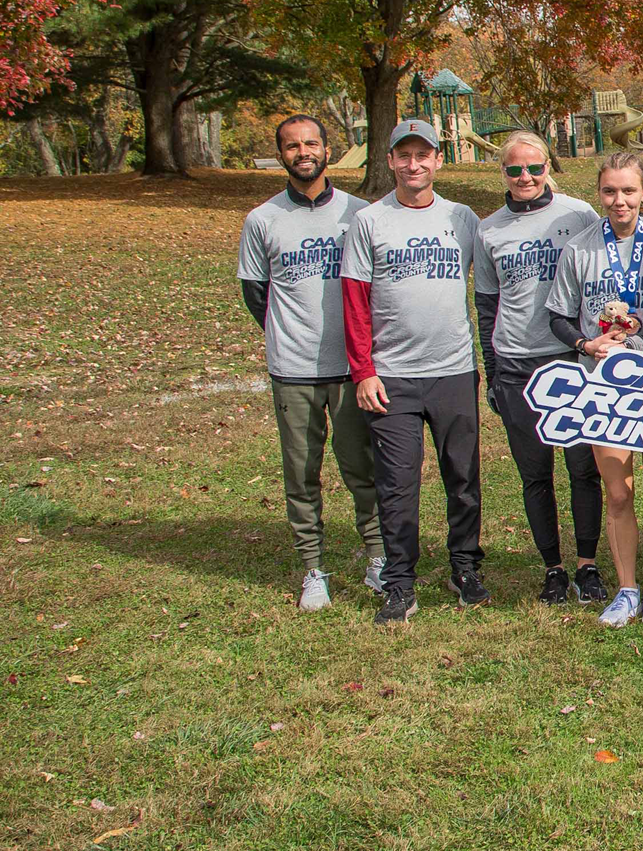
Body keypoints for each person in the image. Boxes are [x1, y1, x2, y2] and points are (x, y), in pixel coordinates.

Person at [339, 119, 486, 625]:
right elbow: (354, 300)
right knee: (398, 483)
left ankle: (464, 566)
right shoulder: (370, 221)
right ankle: (399, 583)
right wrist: (363, 371)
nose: (413, 164)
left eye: (423, 155)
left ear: (438, 160)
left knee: (463, 476)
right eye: (404, 156)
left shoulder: (462, 217)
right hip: (393, 376)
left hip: (453, 369)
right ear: (390, 161)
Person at [238, 113, 383, 611]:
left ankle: (378, 558)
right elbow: (256, 293)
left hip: (351, 369)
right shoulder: (263, 219)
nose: (304, 152)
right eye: (292, 145)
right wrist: (289, 334)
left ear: (327, 148)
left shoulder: (359, 214)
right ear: (281, 154)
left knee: (363, 469)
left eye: (312, 143)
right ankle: (313, 568)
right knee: (302, 473)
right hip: (293, 371)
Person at [473, 131, 605, 607]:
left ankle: (588, 565)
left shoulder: (579, 214)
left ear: (549, 166)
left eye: (534, 167)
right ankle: (553, 568)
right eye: (514, 169)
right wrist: (492, 370)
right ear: (502, 173)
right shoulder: (488, 229)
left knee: (582, 469)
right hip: (515, 362)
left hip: (570, 358)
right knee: (535, 474)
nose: (525, 177)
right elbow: (486, 306)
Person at [546, 152, 643, 628]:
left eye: (628, 191)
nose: (619, 201)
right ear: (599, 194)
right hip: (601, 387)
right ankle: (625, 589)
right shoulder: (580, 247)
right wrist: (585, 342)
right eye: (609, 192)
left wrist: (636, 338)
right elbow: (558, 315)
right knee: (618, 493)